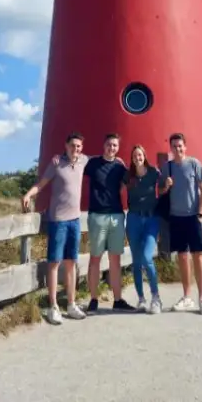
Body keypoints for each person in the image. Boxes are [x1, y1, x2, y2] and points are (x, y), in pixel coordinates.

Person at [22, 132, 87, 325]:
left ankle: (71, 304)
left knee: (71, 262)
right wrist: (28, 195)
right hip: (58, 220)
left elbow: (103, 160)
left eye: (79, 146)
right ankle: (53, 306)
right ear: (66, 146)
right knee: (54, 263)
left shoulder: (83, 160)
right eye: (73, 145)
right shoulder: (57, 163)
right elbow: (41, 184)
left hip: (75, 220)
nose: (76, 149)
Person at [160, 132, 202, 315]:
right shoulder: (167, 167)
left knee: (198, 256)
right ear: (171, 148)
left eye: (180, 145)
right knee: (182, 257)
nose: (178, 149)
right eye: (174, 146)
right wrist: (166, 185)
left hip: (192, 216)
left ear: (185, 146)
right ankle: (187, 297)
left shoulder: (194, 164)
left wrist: (201, 211)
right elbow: (162, 191)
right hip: (176, 216)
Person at [84, 133, 135, 313]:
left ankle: (118, 299)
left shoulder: (120, 167)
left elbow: (128, 181)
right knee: (95, 258)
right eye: (109, 145)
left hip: (116, 216)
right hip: (97, 215)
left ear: (117, 148)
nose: (111, 148)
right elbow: (78, 160)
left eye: (114, 145)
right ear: (103, 145)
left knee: (115, 259)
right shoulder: (92, 164)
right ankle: (93, 299)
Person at [125, 145, 162, 314]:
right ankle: (141, 299)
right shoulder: (128, 176)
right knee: (136, 261)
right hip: (133, 219)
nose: (137, 158)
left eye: (140, 155)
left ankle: (156, 297)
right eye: (134, 155)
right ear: (132, 158)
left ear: (144, 156)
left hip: (151, 219)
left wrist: (167, 185)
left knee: (147, 257)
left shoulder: (154, 172)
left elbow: (162, 188)